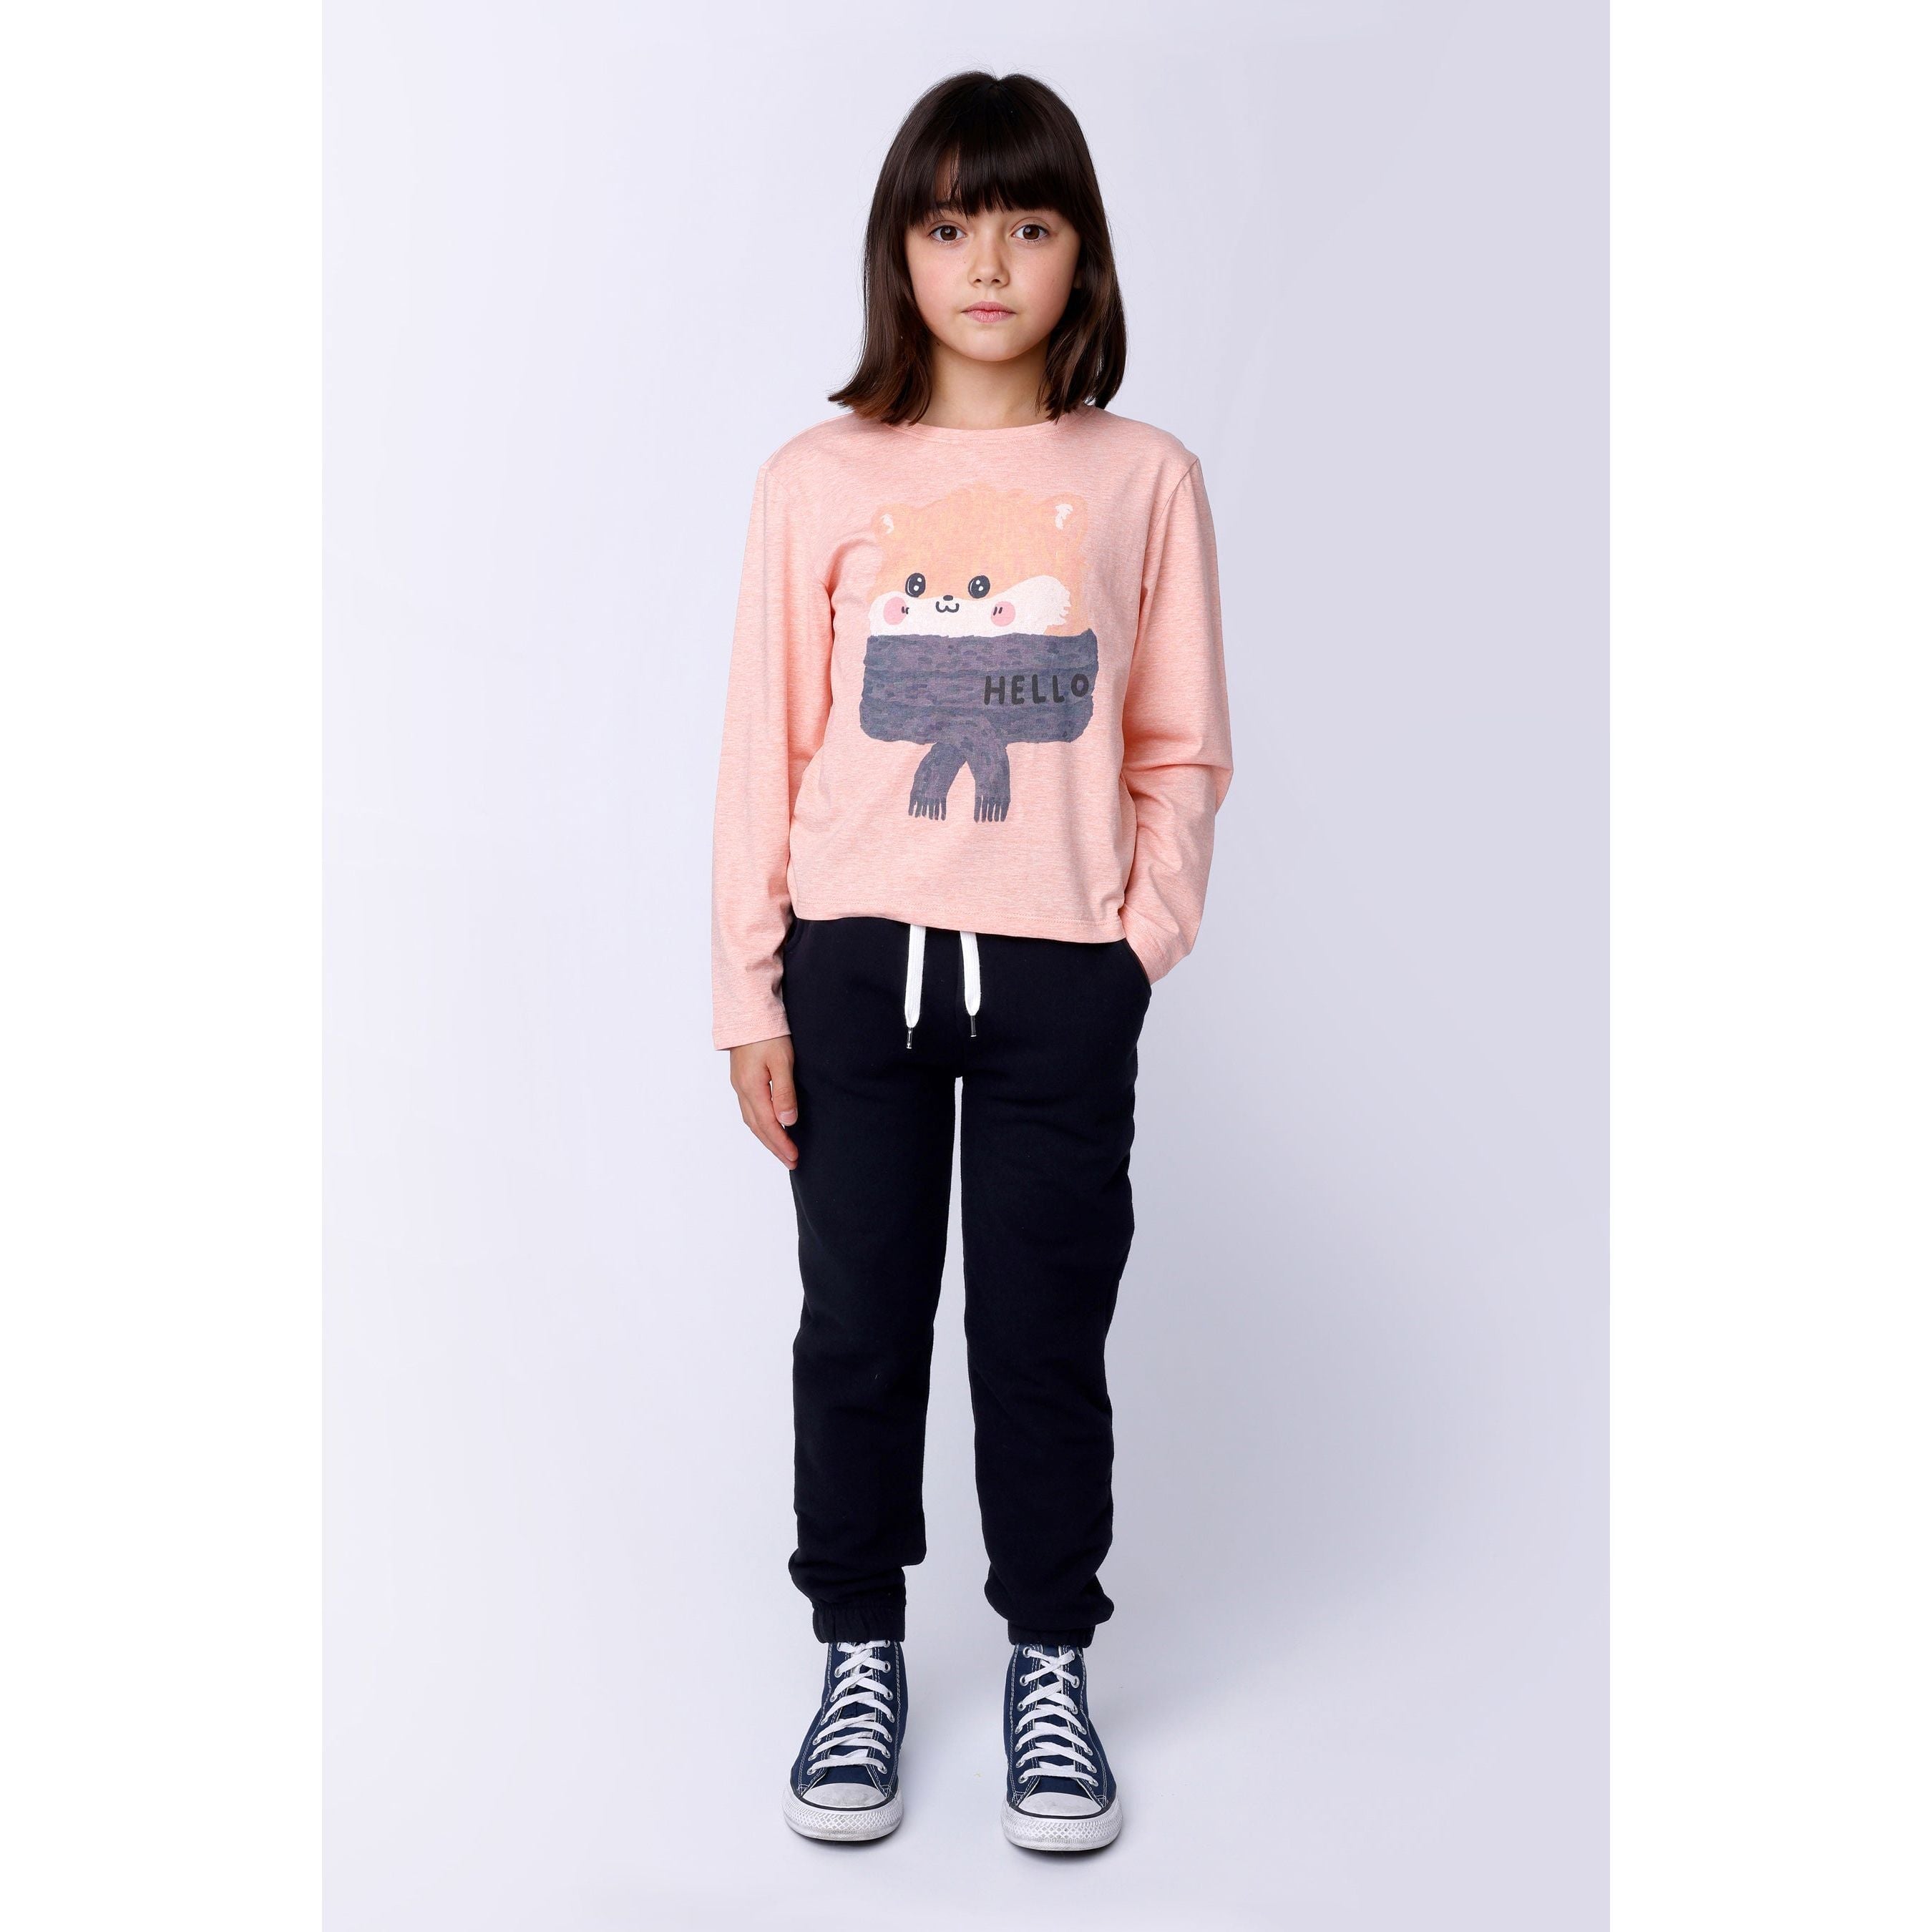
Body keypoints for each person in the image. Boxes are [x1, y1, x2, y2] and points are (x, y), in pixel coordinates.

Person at [710, 69, 1234, 1853]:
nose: (988, 264)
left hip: (1062, 984)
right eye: (949, 226)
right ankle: (858, 1648)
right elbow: (766, 745)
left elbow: (1181, 746)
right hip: (857, 970)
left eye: (1027, 223)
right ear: (902, 253)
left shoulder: (1144, 479)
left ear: (1082, 252)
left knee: (1042, 1333)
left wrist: (1134, 942)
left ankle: (1050, 1658)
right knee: (859, 1322)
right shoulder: (819, 481)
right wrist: (749, 991)